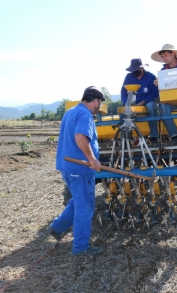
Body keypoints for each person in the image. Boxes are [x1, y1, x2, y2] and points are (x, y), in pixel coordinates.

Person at [48, 86, 104, 256]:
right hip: (80, 168)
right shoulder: (85, 115)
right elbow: (80, 137)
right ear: (95, 101)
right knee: (85, 206)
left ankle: (57, 227)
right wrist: (92, 159)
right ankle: (80, 248)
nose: (98, 107)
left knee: (78, 200)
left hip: (67, 167)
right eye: (99, 103)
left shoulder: (71, 111)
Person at [121, 58, 159, 144]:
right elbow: (123, 91)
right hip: (132, 103)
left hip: (146, 103)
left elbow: (155, 93)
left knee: (151, 106)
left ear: (141, 68)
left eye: (136, 69)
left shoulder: (151, 77)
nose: (134, 71)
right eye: (133, 70)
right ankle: (124, 139)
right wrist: (125, 103)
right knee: (122, 112)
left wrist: (143, 102)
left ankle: (154, 137)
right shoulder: (129, 77)